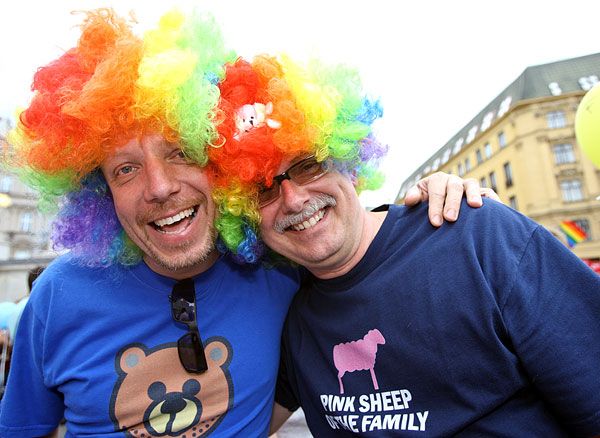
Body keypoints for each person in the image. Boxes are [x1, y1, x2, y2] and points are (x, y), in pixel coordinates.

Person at [0, 9, 489, 437]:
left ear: (222, 164)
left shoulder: (280, 269)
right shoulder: (57, 297)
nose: (159, 187)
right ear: (100, 195)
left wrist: (435, 201)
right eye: (125, 169)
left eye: (182, 153)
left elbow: (355, 243)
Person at [204, 54, 600, 436]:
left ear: (346, 157)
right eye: (263, 190)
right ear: (244, 214)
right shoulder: (292, 317)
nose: (293, 199)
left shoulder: (479, 237)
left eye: (309, 165)